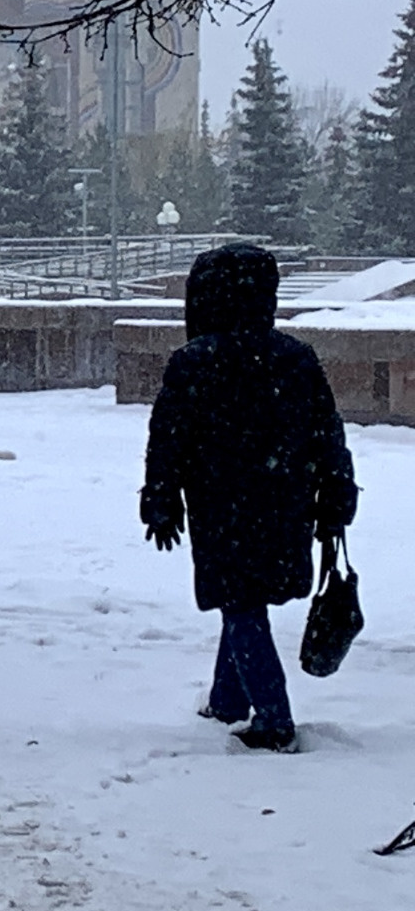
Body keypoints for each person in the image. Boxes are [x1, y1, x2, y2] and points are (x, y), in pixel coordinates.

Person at [142, 241, 357, 753]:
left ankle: (274, 719)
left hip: (221, 505)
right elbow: (328, 434)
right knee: (244, 597)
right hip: (286, 503)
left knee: (238, 601)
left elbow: (167, 439)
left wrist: (161, 498)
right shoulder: (296, 359)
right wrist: (336, 494)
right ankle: (228, 700)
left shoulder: (194, 362)